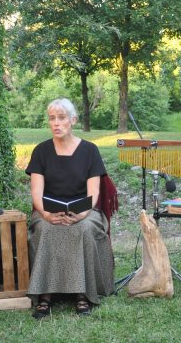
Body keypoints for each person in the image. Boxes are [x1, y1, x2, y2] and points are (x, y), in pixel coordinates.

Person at [25, 98, 114, 319]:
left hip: (84, 210)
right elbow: (36, 193)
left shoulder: (90, 150)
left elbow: (93, 192)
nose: (56, 123)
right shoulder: (41, 151)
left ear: (72, 120)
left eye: (61, 118)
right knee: (47, 230)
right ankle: (45, 295)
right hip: (48, 210)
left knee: (81, 230)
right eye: (52, 118)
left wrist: (82, 214)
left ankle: (82, 293)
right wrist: (46, 214)